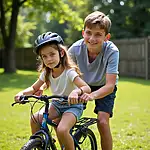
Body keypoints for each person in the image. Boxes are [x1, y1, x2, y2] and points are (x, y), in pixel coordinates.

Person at [14, 32, 91, 150]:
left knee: (62, 129)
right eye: (44, 56)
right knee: (35, 119)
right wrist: (22, 93)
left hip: (73, 106)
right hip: (56, 104)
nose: (48, 59)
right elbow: (34, 88)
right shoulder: (47, 73)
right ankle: (39, 143)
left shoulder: (69, 72)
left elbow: (86, 88)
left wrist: (76, 92)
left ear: (61, 53)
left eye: (52, 54)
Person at [68, 11, 119, 150]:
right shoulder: (75, 49)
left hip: (104, 85)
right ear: (83, 33)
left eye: (98, 34)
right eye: (89, 33)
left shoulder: (112, 51)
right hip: (83, 85)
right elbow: (61, 71)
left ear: (106, 37)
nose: (92, 38)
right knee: (65, 119)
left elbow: (110, 85)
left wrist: (92, 96)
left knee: (102, 122)